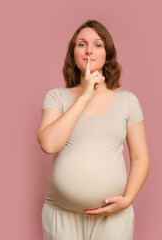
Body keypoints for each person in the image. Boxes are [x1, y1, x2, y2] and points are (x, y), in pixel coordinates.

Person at [37, 19, 150, 240]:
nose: (89, 50)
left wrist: (128, 199)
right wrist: (86, 95)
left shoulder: (128, 101)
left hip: (113, 219)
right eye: (82, 44)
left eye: (98, 44)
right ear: (73, 52)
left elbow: (140, 157)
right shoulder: (56, 97)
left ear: (107, 53)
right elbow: (49, 144)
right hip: (61, 215)